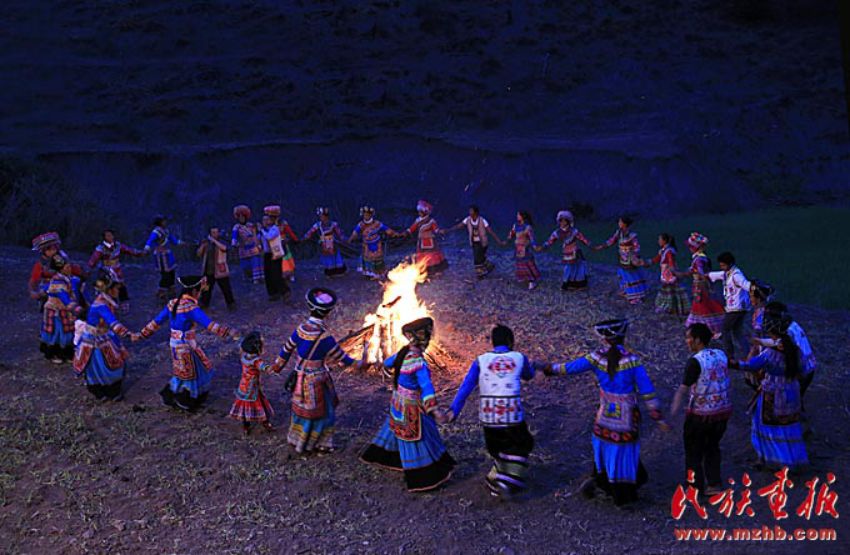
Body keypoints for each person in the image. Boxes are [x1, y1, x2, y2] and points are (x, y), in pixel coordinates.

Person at [542, 319, 670, 505]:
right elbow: (647, 391)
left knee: (604, 448)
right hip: (627, 418)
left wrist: (546, 368)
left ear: (604, 339)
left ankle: (602, 481)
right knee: (624, 452)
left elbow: (568, 368)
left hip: (604, 417)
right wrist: (657, 416)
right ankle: (624, 491)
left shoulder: (596, 358)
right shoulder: (632, 361)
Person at [360, 317, 456, 492]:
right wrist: (434, 410)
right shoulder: (418, 362)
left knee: (397, 429)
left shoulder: (403, 353)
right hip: (412, 406)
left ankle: (387, 457)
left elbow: (387, 363)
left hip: (397, 401)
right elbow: (426, 387)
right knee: (420, 436)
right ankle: (423, 477)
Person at [447, 324, 536, 498]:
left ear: (493, 343)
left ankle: (495, 477)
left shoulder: (481, 360)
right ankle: (505, 482)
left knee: (499, 449)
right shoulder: (519, 357)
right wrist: (534, 366)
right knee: (524, 444)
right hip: (512, 416)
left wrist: (453, 411)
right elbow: (529, 375)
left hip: (488, 417)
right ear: (510, 341)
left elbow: (466, 387)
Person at [275, 288, 362, 453]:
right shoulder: (325, 337)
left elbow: (286, 349)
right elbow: (343, 359)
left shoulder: (300, 329)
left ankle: (298, 440)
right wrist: (363, 364)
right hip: (317, 381)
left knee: (301, 410)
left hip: (300, 378)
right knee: (324, 412)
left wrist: (276, 367)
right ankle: (320, 444)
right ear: (328, 313)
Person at [136, 275, 238, 411]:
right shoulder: (190, 308)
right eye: (199, 291)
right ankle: (186, 400)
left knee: (183, 372)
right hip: (186, 345)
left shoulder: (172, 304)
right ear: (195, 291)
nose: (200, 294)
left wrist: (141, 334)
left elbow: (156, 321)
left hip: (175, 344)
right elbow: (209, 324)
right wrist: (229, 332)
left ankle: (175, 396)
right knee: (194, 373)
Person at [730, 315, 809, 471]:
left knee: (764, 426)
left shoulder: (771, 354)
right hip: (791, 392)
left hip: (773, 393)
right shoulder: (795, 351)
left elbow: (751, 365)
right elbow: (803, 369)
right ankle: (793, 460)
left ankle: (770, 459)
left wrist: (733, 364)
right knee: (789, 426)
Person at [669, 323, 732, 496]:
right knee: (712, 447)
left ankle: (694, 487)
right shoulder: (721, 354)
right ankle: (714, 484)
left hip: (701, 415)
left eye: (689, 338)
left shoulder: (695, 362)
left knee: (693, 450)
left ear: (698, 340)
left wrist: (673, 411)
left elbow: (683, 389)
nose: (687, 341)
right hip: (722, 412)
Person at [73, 269, 133, 401]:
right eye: (116, 288)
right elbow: (113, 322)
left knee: (112, 363)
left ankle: (110, 391)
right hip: (95, 340)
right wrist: (129, 335)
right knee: (104, 366)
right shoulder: (101, 305)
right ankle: (104, 392)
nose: (118, 291)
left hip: (104, 336)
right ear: (108, 289)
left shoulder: (106, 301)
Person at [230, 332, 279, 435]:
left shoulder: (244, 355)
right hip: (253, 388)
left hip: (243, 386)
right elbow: (264, 367)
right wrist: (273, 368)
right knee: (260, 404)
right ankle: (265, 423)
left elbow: (240, 342)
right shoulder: (256, 361)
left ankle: (246, 427)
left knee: (244, 407)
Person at [87, 229, 146, 313]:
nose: (110, 237)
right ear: (104, 238)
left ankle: (124, 304)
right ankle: (110, 305)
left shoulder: (118, 245)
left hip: (117, 269)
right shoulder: (100, 248)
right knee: (108, 287)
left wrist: (139, 253)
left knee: (121, 286)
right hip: (105, 270)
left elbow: (129, 250)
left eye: (111, 235)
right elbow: (93, 259)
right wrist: (88, 269)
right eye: (108, 236)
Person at [678, 232, 725, 337]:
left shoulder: (699, 259)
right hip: (700, 285)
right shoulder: (700, 258)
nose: (689, 248)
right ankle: (700, 327)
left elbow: (701, 273)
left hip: (701, 286)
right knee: (700, 306)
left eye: (690, 246)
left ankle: (713, 329)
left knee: (705, 306)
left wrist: (703, 283)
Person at [594, 216, 648, 304]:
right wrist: (602, 246)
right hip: (622, 257)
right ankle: (626, 290)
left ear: (625, 224)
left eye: (620, 222)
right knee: (623, 273)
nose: (619, 224)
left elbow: (637, 247)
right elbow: (612, 241)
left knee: (631, 275)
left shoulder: (632, 235)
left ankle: (635, 295)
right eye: (619, 222)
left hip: (630, 257)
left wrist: (634, 255)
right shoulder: (619, 233)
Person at [708, 252, 752, 360]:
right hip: (737, 308)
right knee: (737, 331)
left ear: (730, 264)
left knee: (725, 329)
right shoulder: (728, 273)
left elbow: (746, 285)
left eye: (723, 265)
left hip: (736, 308)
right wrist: (707, 275)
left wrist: (754, 289)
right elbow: (719, 274)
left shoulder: (736, 276)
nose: (721, 267)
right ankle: (747, 352)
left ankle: (730, 355)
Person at [40, 255, 83, 364]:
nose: (69, 269)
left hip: (65, 310)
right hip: (56, 310)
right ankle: (54, 354)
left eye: (69, 266)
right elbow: (63, 296)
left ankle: (67, 353)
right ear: (61, 269)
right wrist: (73, 305)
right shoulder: (57, 282)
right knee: (57, 333)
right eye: (67, 267)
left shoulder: (67, 278)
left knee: (67, 331)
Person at [535, 210, 591, 290]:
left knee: (579, 266)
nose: (562, 222)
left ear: (568, 221)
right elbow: (550, 241)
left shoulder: (574, 231)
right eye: (561, 220)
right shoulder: (557, 232)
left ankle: (579, 284)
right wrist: (543, 247)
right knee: (568, 267)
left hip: (575, 251)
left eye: (564, 220)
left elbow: (583, 239)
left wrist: (590, 245)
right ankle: (566, 283)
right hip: (567, 253)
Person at [442, 205, 502, 279]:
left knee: (478, 258)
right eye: (470, 211)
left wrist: (498, 241)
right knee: (479, 257)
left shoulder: (482, 220)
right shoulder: (467, 220)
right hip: (474, 242)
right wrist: (448, 230)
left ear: (476, 213)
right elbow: (458, 226)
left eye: (472, 211)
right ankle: (487, 268)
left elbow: (490, 231)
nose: (470, 213)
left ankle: (481, 273)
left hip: (483, 243)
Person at [29, 232, 83, 307]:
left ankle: (81, 306)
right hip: (48, 288)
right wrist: (33, 291)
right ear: (43, 251)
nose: (53, 251)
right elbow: (34, 280)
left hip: (66, 285)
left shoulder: (62, 260)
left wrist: (80, 272)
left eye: (54, 249)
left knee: (77, 283)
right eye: (49, 249)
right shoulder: (40, 265)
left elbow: (73, 269)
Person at [644, 233, 690, 317]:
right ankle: (670, 307)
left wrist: (674, 271)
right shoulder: (664, 250)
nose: (658, 241)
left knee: (671, 289)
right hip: (665, 272)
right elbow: (657, 258)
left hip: (669, 273)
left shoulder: (669, 251)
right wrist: (648, 263)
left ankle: (670, 307)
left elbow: (671, 262)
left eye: (660, 239)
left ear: (664, 241)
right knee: (669, 289)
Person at [349, 205, 398, 279]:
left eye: (368, 214)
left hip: (376, 244)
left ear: (371, 215)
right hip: (367, 245)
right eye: (365, 214)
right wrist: (350, 239)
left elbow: (386, 229)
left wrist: (394, 234)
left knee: (377, 258)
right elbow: (355, 232)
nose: (366, 216)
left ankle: (378, 273)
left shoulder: (377, 224)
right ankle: (369, 273)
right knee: (367, 258)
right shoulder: (361, 224)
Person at [404, 200, 448, 276]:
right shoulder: (418, 220)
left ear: (425, 212)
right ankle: (424, 270)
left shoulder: (431, 221)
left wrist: (440, 231)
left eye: (421, 212)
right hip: (421, 241)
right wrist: (406, 232)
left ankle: (435, 271)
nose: (419, 213)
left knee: (432, 255)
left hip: (430, 241)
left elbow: (436, 230)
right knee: (421, 256)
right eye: (419, 212)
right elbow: (412, 228)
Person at [143, 215, 183, 299]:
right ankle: (161, 291)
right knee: (165, 274)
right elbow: (150, 241)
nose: (165, 222)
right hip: (161, 256)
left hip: (168, 255)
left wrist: (180, 242)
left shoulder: (166, 231)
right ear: (160, 222)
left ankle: (171, 288)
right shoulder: (156, 232)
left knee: (172, 272)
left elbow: (173, 240)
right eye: (164, 221)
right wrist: (146, 248)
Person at [197, 226, 236, 310]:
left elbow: (225, 248)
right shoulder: (206, 243)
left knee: (226, 288)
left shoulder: (222, 241)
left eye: (216, 232)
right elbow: (199, 254)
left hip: (220, 269)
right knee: (206, 289)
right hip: (208, 270)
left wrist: (214, 241)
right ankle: (204, 303)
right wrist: (202, 246)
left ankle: (231, 304)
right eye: (213, 232)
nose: (215, 234)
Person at [259, 205, 291, 301]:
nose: (265, 221)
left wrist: (261, 230)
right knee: (268, 274)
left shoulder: (274, 228)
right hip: (267, 254)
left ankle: (285, 291)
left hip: (275, 254)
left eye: (267, 219)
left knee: (276, 274)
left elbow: (269, 237)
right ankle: (273, 293)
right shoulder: (264, 230)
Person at [304, 207, 347, 277]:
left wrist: (343, 239)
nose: (322, 218)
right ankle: (329, 271)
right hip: (324, 244)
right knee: (327, 257)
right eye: (321, 216)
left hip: (333, 243)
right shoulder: (318, 225)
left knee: (336, 256)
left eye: (323, 216)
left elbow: (339, 233)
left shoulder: (333, 224)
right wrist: (306, 236)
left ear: (327, 216)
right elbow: (311, 231)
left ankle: (339, 270)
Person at [231, 205, 264, 284]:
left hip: (253, 246)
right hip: (243, 248)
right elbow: (234, 236)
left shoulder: (250, 225)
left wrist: (258, 242)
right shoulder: (236, 227)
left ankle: (257, 278)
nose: (241, 218)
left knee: (256, 261)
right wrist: (234, 242)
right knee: (245, 264)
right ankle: (248, 277)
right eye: (240, 217)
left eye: (243, 216)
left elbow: (255, 234)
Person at [507, 211, 541, 290]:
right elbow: (511, 234)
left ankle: (531, 281)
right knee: (520, 263)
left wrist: (535, 246)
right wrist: (508, 238)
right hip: (518, 247)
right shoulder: (515, 225)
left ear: (522, 217)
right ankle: (524, 278)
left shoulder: (528, 227)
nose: (517, 216)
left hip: (524, 247)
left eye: (518, 215)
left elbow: (532, 238)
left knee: (526, 263)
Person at [277, 214, 300, 282]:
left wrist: (296, 239)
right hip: (277, 247)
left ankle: (291, 275)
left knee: (288, 260)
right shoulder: (273, 226)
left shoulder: (284, 225)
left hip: (284, 246)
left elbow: (290, 233)